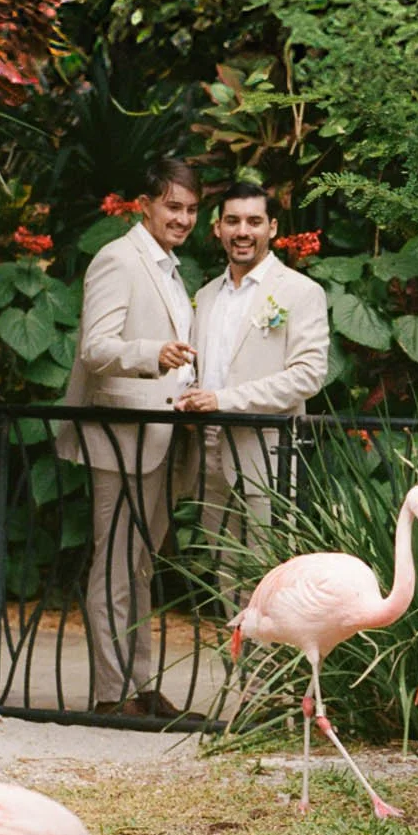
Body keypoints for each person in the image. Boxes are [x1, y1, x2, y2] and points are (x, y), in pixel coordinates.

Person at [57, 159, 199, 714]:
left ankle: (139, 687)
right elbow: (95, 348)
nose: (182, 218)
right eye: (172, 206)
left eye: (190, 209)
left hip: (163, 438)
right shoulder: (119, 258)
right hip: (120, 438)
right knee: (114, 564)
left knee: (140, 566)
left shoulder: (168, 267)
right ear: (145, 204)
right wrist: (150, 356)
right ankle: (109, 696)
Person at [178, 179, 330, 594]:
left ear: (273, 228)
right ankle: (238, 662)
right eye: (232, 221)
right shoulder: (205, 296)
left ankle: (271, 663)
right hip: (206, 452)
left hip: (266, 454)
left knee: (269, 579)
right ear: (218, 229)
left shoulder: (301, 293)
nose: (242, 231)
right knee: (225, 579)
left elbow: (309, 374)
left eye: (253, 221)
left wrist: (223, 401)